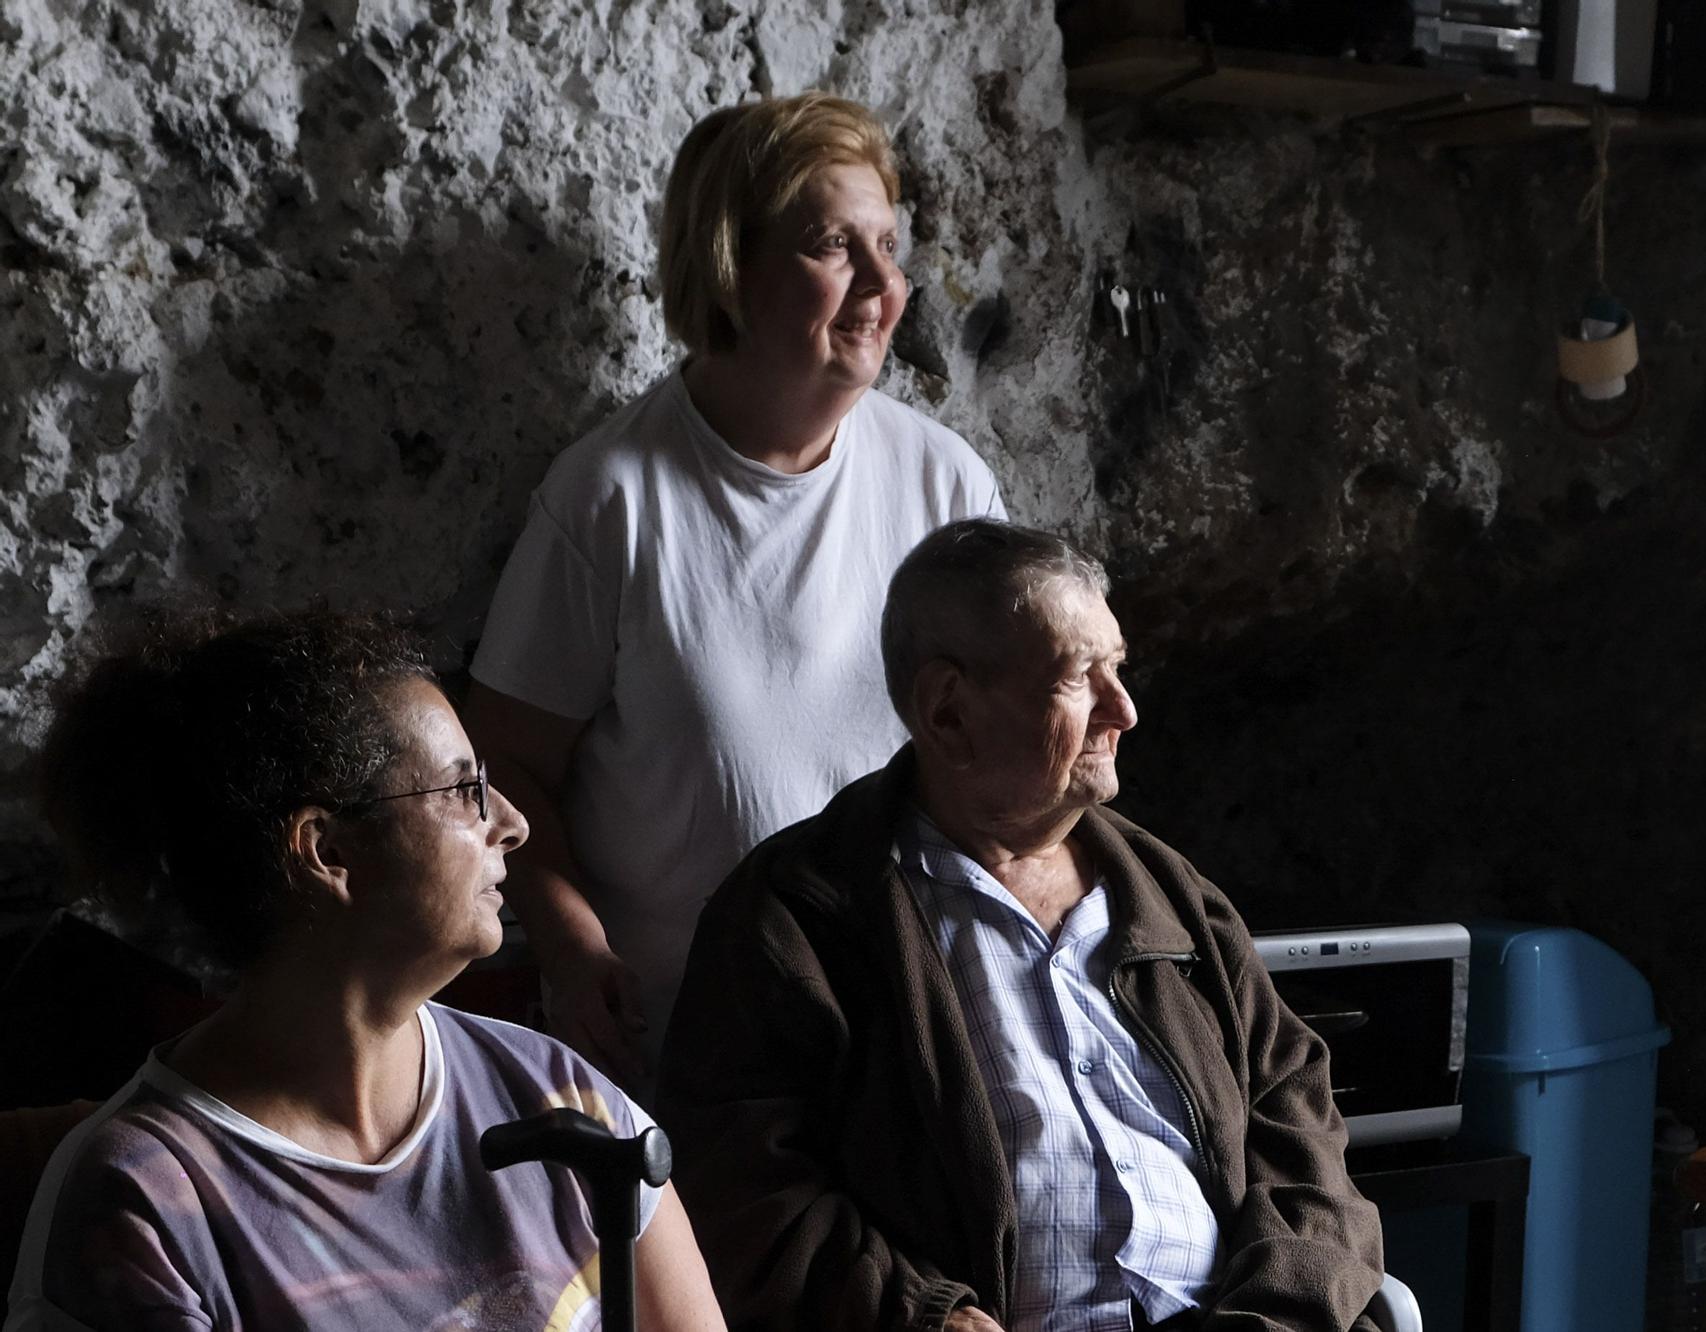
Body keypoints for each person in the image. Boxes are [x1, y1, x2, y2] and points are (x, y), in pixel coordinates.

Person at [658, 519, 1386, 1332]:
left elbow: (1299, 1126)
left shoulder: (1175, 899)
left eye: (1119, 669)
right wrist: (925, 1317)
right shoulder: (798, 916)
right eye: (1081, 678)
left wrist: (1273, 1316)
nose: (1126, 711)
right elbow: (744, 1190)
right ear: (948, 712)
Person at [467, 91, 1005, 1089]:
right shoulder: (611, 498)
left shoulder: (944, 484)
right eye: (831, 245)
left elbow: (1008, 743)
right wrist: (574, 949)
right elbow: (504, 762)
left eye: (888, 244)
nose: (883, 285)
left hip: (910, 1028)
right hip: (693, 1046)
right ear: (729, 264)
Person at [7, 610, 726, 1332]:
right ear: (329, 852)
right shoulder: (145, 1204)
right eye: (461, 790)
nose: (512, 823)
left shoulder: (557, 1098)